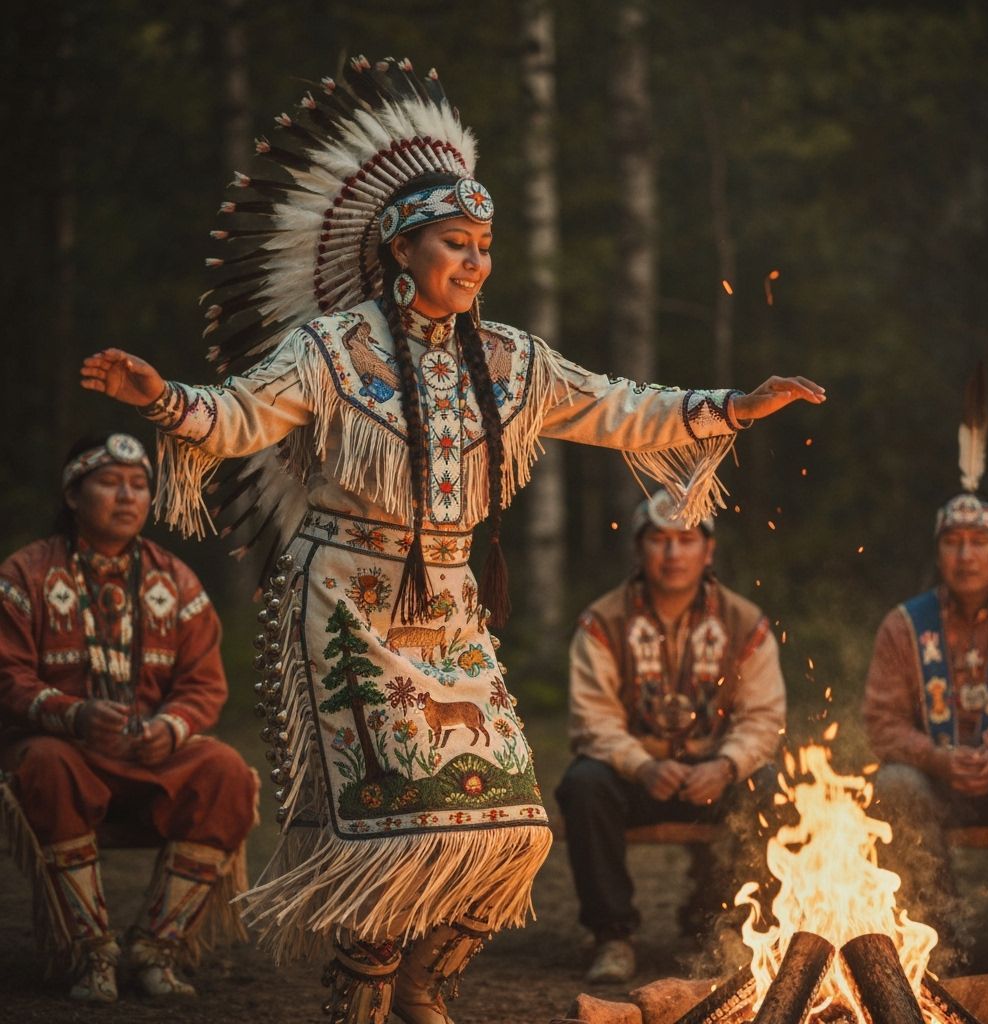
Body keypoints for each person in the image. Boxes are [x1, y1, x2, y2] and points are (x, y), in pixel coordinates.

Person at [78, 57, 824, 1024]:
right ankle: (365, 992)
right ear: (402, 249)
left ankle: (427, 980)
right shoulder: (332, 349)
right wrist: (162, 399)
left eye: (484, 247)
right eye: (455, 244)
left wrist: (735, 407)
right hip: (345, 604)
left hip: (451, 609)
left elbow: (621, 408)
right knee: (389, 834)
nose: (474, 263)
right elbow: (235, 418)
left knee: (514, 826)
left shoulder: (512, 361)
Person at [0, 432, 258, 1003]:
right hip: (65, 749)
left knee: (225, 771)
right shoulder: (26, 574)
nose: (127, 496)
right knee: (46, 763)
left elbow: (203, 684)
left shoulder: (176, 581)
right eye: (110, 483)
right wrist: (73, 714)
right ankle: (91, 951)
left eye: (139, 485)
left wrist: (170, 727)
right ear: (73, 494)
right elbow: (7, 674)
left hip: (149, 754)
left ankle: (156, 948)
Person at [554, 489, 786, 983]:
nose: (673, 553)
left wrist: (726, 765)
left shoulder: (744, 622)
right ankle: (612, 936)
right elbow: (593, 718)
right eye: (659, 539)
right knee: (584, 784)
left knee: (766, 784)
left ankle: (731, 923)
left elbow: (763, 717)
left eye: (686, 540)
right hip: (634, 777)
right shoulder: (603, 621)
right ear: (638, 548)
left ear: (709, 550)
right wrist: (641, 765)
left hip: (714, 775)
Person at [863, 489, 988, 963]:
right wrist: (935, 758)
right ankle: (936, 940)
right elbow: (882, 723)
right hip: (935, 780)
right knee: (895, 783)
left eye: (980, 541)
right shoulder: (905, 625)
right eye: (953, 542)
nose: (965, 555)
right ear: (938, 553)